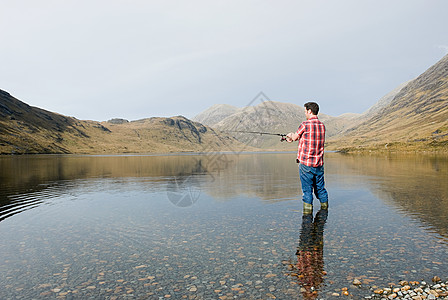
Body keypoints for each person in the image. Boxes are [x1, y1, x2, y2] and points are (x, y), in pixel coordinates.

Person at [286, 102, 328, 213]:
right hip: (319, 164)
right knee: (321, 189)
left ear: (309, 111)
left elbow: (294, 137)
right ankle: (325, 211)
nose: (305, 113)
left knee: (307, 191)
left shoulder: (305, 124)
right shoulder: (322, 126)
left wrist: (289, 136)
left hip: (306, 164)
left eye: (305, 111)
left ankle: (307, 217)